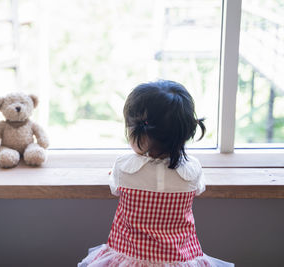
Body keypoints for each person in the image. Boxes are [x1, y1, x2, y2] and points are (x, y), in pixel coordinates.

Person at [78, 80, 234, 267]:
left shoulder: (124, 167)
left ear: (138, 131)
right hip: (180, 260)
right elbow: (198, 189)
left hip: (129, 258)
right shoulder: (192, 169)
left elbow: (115, 188)